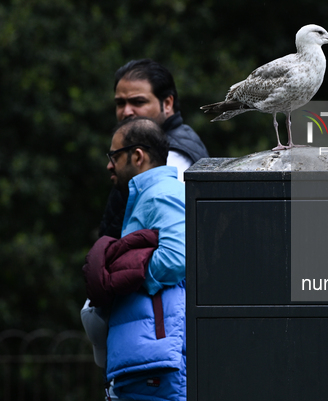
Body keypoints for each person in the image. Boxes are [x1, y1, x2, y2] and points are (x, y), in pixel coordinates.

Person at [82, 117, 187, 400]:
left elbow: (176, 258)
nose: (109, 165)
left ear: (137, 156)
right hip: (146, 362)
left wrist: (130, 278)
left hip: (156, 364)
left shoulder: (162, 194)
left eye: (114, 156)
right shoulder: (149, 195)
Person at [100, 58, 209, 238]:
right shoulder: (157, 145)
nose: (126, 111)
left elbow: (175, 247)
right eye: (120, 103)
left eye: (138, 102)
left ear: (167, 104)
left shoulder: (173, 157)